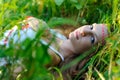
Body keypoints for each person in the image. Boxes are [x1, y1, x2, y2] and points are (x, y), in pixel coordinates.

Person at [0, 16, 109, 79]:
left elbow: (13, 71)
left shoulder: (52, 57)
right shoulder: (59, 34)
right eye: (91, 27)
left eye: (92, 39)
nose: (84, 32)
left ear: (88, 53)